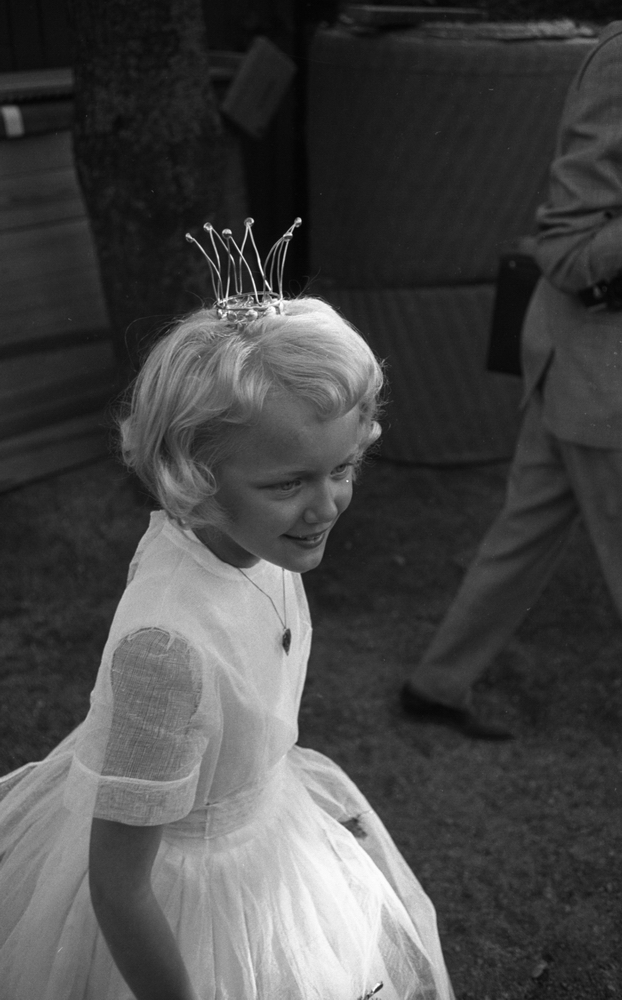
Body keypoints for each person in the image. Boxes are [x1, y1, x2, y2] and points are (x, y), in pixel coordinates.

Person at [0, 220, 455, 1000]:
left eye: (343, 466)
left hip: (266, 836)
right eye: (289, 483)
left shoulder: (256, 543)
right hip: (188, 905)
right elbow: (119, 886)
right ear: (195, 476)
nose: (327, 506)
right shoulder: (164, 649)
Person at [401, 21, 622, 740]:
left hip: (580, 367)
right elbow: (568, 252)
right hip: (597, 372)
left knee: (524, 531)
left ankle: (437, 683)